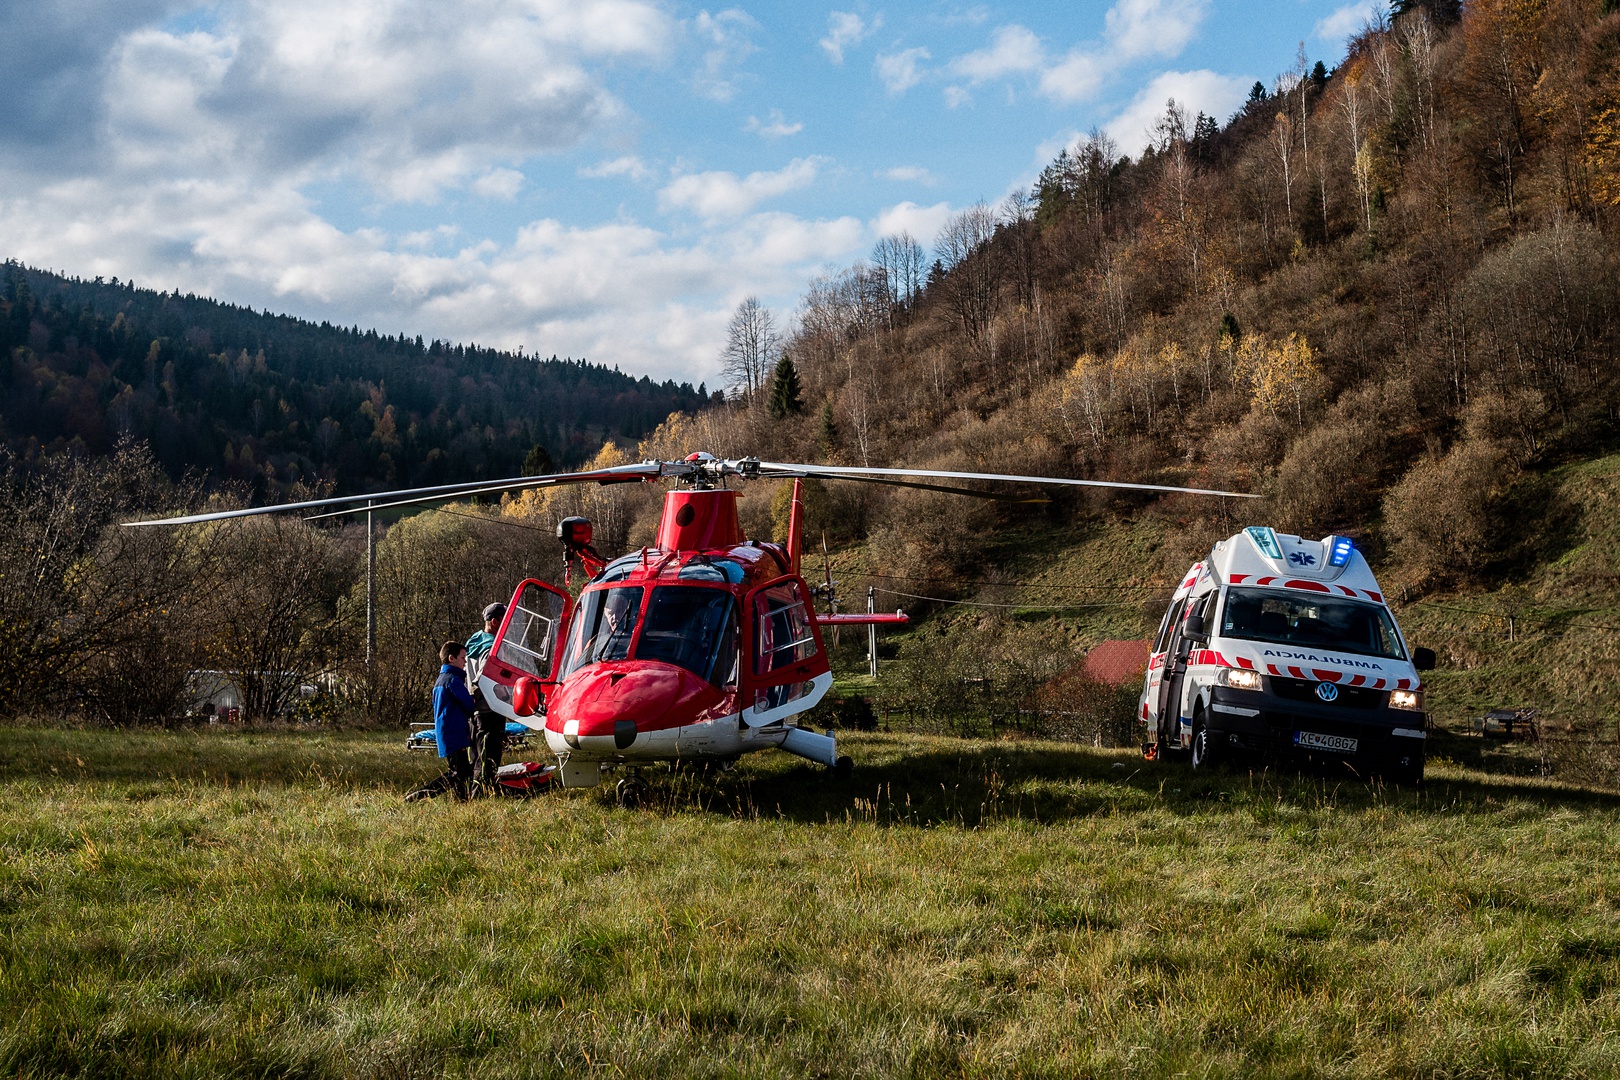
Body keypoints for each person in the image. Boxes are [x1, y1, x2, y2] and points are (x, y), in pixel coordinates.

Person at [405, 641, 477, 801]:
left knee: (462, 771)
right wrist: (474, 698)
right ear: (452, 658)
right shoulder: (453, 680)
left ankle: (462, 802)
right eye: (463, 657)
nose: (465, 661)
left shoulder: (441, 679)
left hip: (448, 732)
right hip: (454, 733)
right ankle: (421, 796)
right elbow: (468, 704)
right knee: (458, 772)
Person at [465, 602, 507, 792]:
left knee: (475, 752)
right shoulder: (492, 646)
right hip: (489, 708)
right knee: (488, 754)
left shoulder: (475, 640)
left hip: (474, 710)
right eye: (505, 621)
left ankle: (473, 790)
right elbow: (482, 677)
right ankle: (483, 793)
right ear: (495, 622)